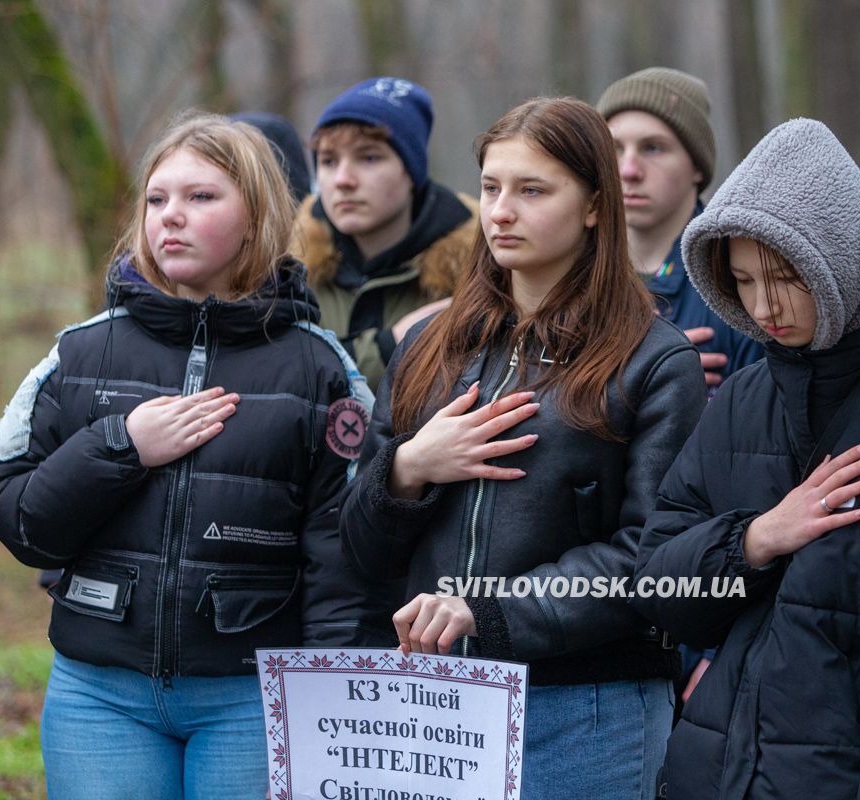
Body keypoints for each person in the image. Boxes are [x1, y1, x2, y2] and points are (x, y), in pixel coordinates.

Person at [0, 113, 376, 799]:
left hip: (252, 701)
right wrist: (121, 446)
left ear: (258, 216)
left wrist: (327, 712)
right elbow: (22, 523)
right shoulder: (79, 352)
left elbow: (344, 560)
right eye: (157, 198)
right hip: (98, 698)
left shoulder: (321, 370)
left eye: (201, 197)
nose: (171, 216)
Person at [338, 97, 705, 799]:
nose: (501, 211)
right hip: (440, 707)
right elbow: (356, 546)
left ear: (595, 205)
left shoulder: (655, 363)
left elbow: (652, 558)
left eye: (532, 190)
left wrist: (490, 608)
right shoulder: (427, 347)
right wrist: (409, 468)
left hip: (589, 709)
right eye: (490, 188)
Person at [632, 118, 860, 799]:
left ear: (844, 257)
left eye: (786, 276)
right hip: (710, 775)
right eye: (741, 280)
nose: (765, 305)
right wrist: (755, 540)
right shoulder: (742, 400)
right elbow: (658, 591)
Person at [290, 77, 478, 390]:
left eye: (369, 157)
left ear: (412, 172)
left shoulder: (479, 273)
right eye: (328, 161)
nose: (343, 180)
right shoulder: (289, 273)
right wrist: (390, 346)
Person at [597, 67, 764, 392]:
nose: (628, 170)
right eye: (615, 149)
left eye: (653, 148)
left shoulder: (738, 276)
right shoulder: (568, 272)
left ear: (697, 167)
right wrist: (648, 372)